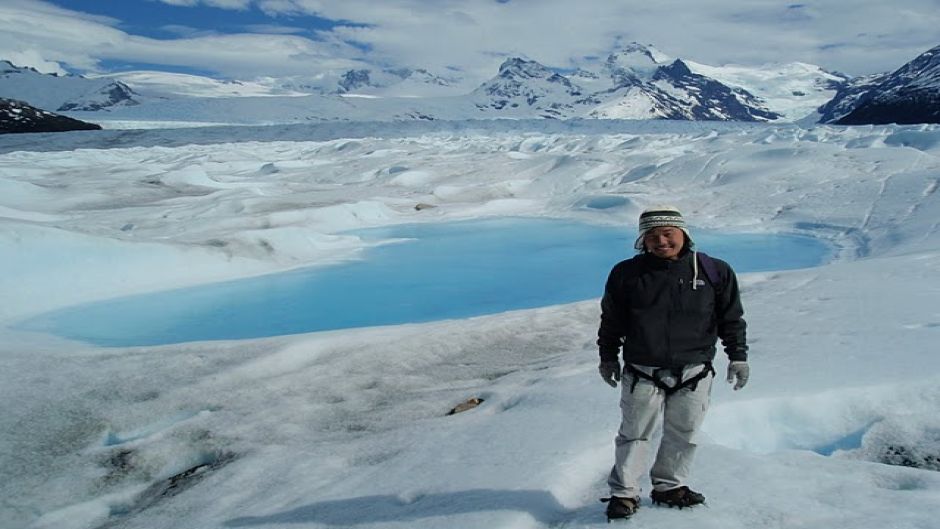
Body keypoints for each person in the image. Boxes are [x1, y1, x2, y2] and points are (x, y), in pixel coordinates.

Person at [597, 205, 749, 521]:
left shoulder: (713, 270)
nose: (661, 241)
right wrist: (608, 357)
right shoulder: (626, 273)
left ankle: (669, 486)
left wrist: (738, 356)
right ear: (642, 240)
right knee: (634, 434)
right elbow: (612, 319)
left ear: (683, 234)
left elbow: (730, 317)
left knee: (684, 433)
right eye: (652, 236)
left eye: (668, 233)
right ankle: (624, 493)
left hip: (694, 369)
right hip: (643, 369)